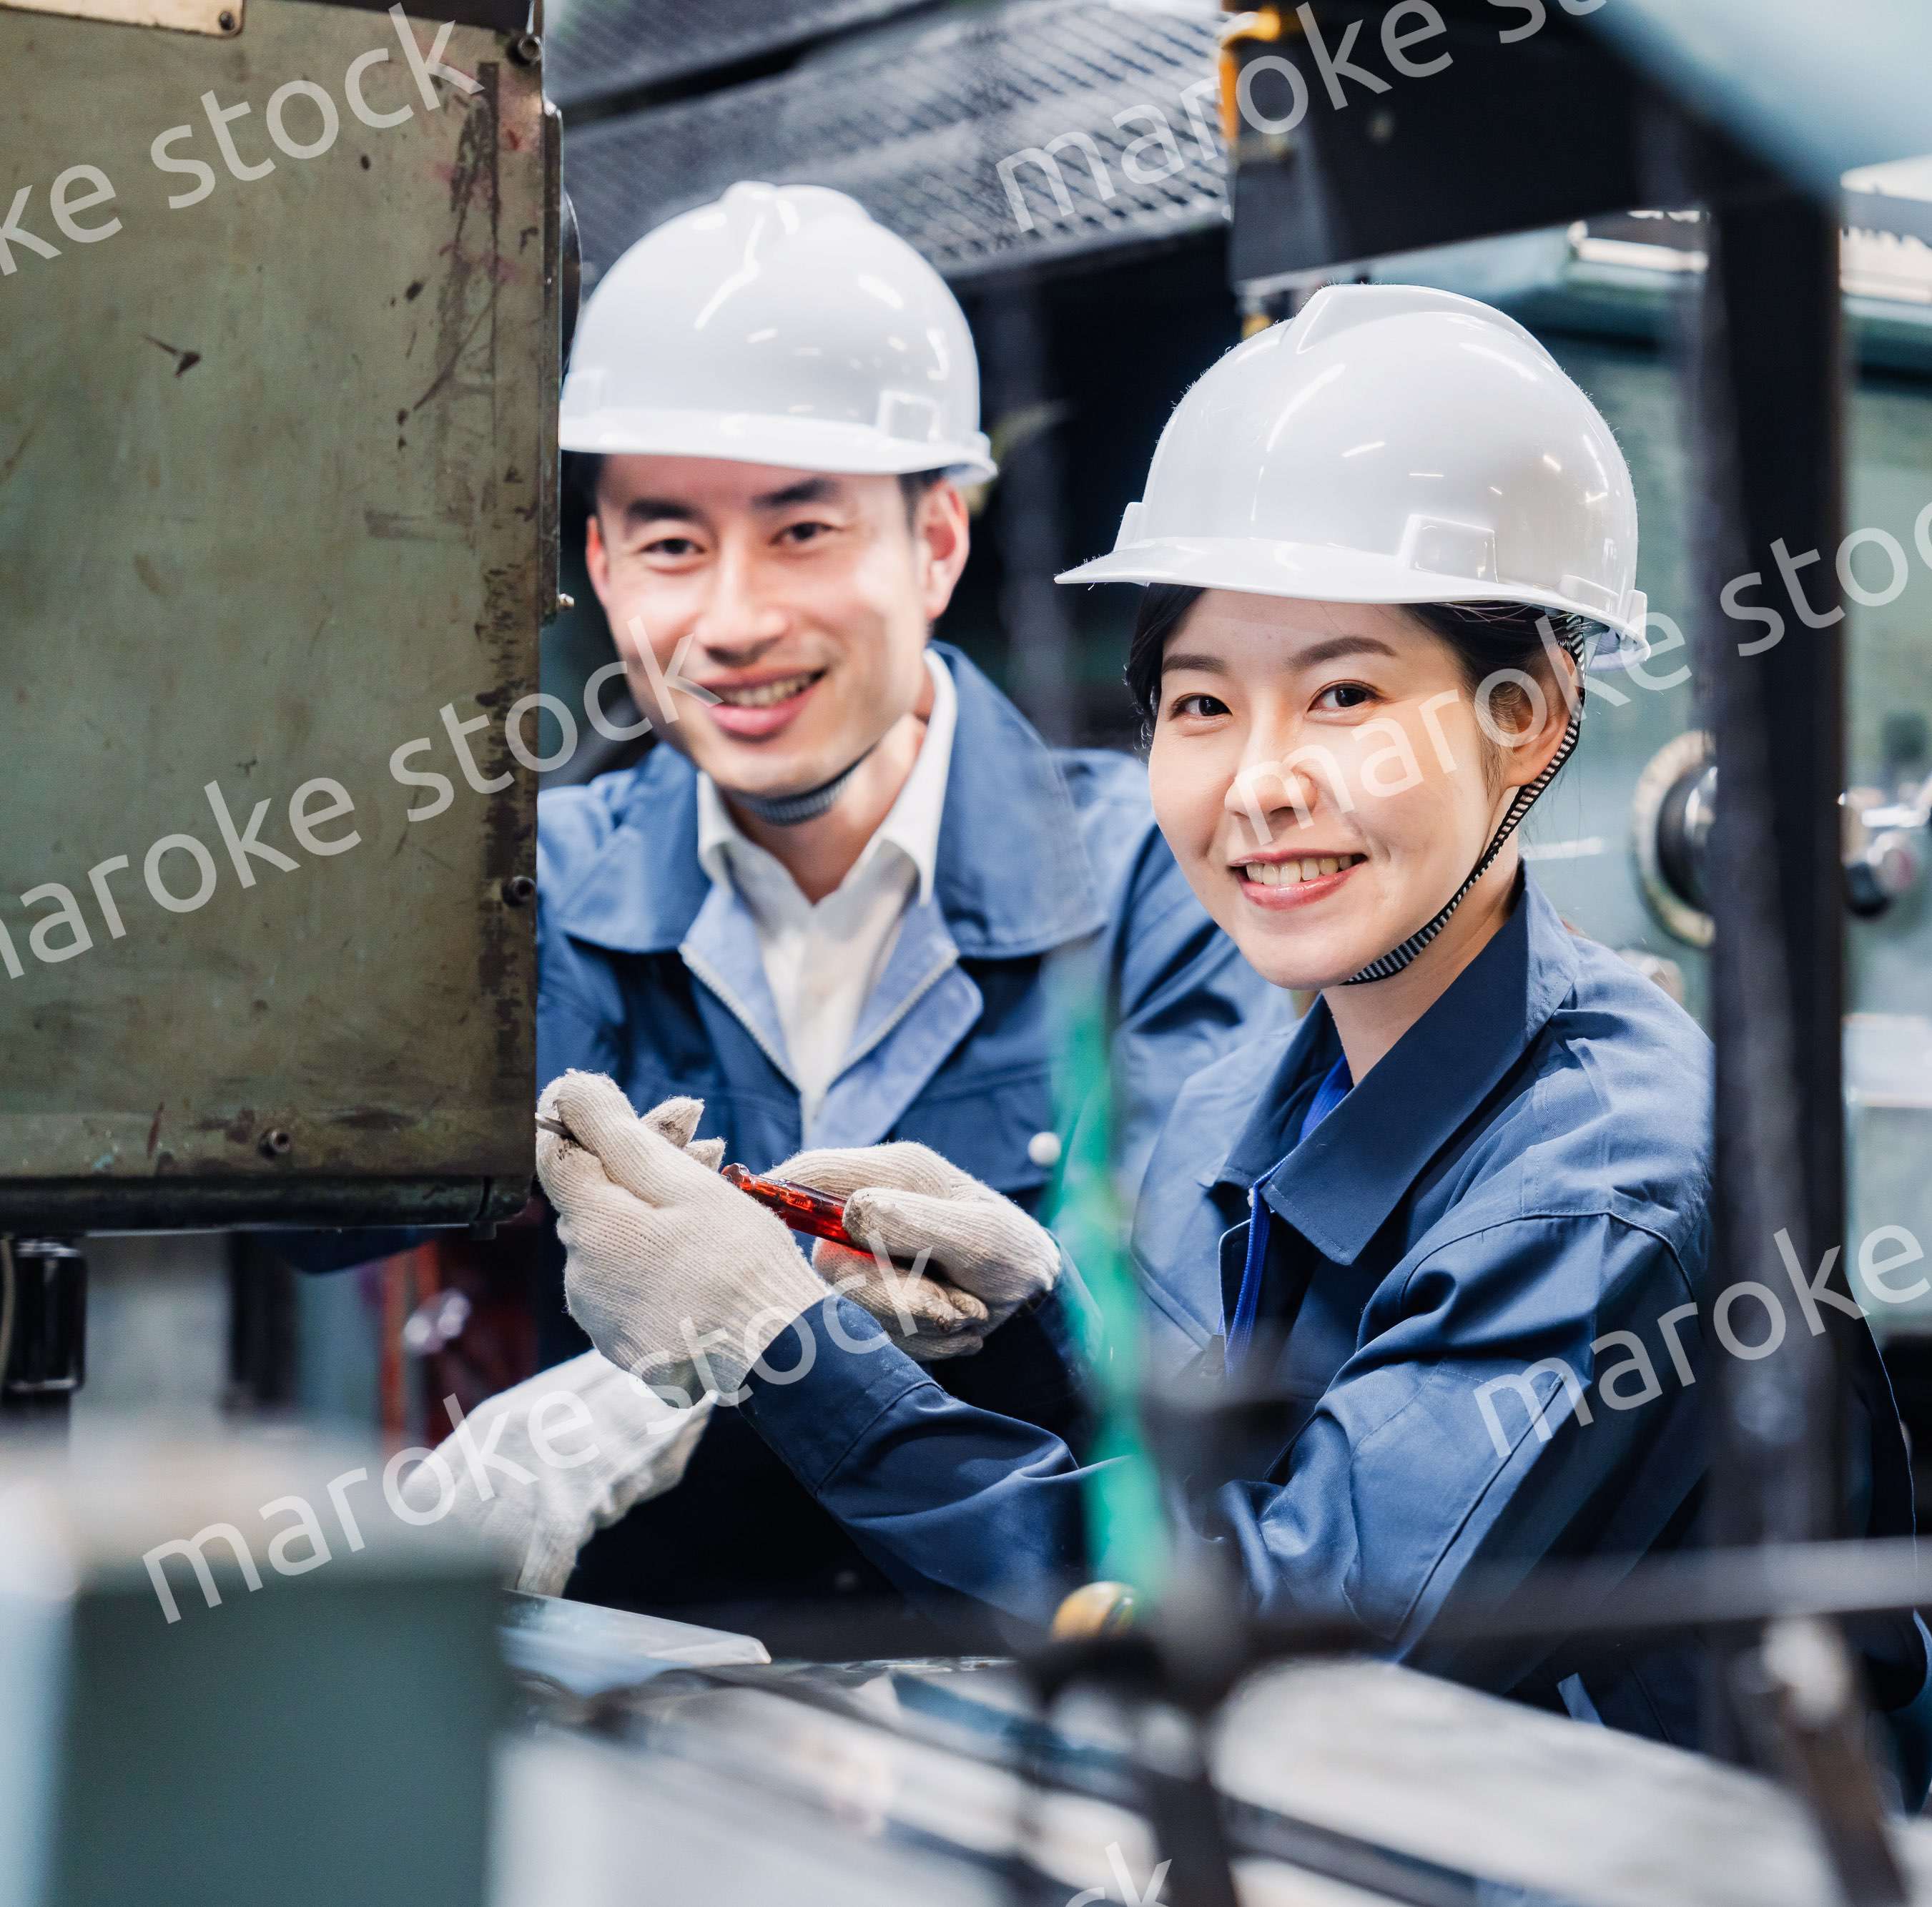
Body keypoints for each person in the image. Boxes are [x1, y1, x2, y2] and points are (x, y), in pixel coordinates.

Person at [534, 284, 1932, 1793]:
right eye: (1201, 704)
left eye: (1342, 695)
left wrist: (781, 1347)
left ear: (1526, 721)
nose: (1258, 782)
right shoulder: (1231, 1109)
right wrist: (1038, 1335)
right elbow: (1211, 1500)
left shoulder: (1607, 1183)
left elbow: (1275, 1651)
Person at [408, 182, 1285, 1640]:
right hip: (658, 1705)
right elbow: (305, 1200)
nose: (735, 620)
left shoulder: (1154, 884)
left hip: (1022, 1693)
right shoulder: (541, 888)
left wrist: (780, 1338)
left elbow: (1183, 1365)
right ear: (605, 567)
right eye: (673, 544)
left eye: (803, 530)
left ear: (937, 540)